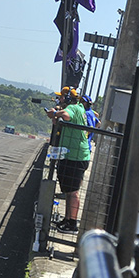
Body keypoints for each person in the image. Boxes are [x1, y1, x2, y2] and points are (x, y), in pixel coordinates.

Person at [45, 87, 91, 234]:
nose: (60, 100)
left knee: (73, 192)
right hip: (73, 155)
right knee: (70, 191)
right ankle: (68, 219)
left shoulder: (72, 108)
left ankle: (72, 223)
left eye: (62, 97)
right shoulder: (78, 108)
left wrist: (55, 113)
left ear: (69, 99)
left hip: (75, 157)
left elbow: (65, 114)